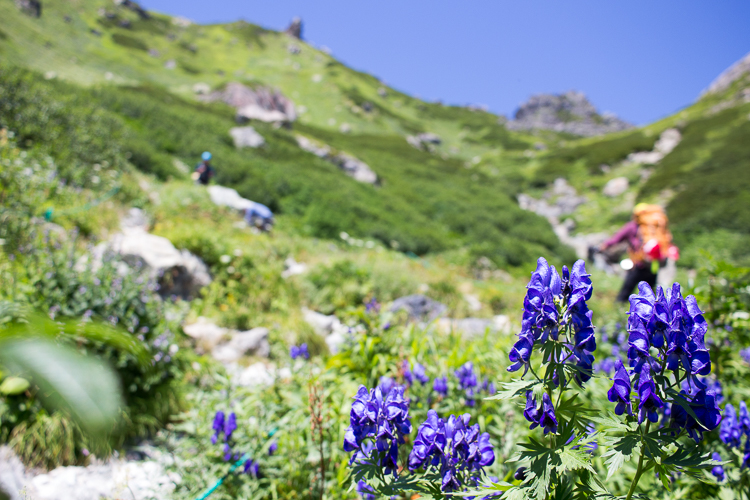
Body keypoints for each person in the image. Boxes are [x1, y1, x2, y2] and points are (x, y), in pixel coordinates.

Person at [600, 204, 678, 303]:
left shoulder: (632, 226)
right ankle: (655, 315)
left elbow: (617, 238)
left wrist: (604, 246)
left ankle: (619, 308)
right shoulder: (654, 227)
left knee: (625, 292)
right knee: (651, 295)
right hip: (652, 265)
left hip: (638, 264)